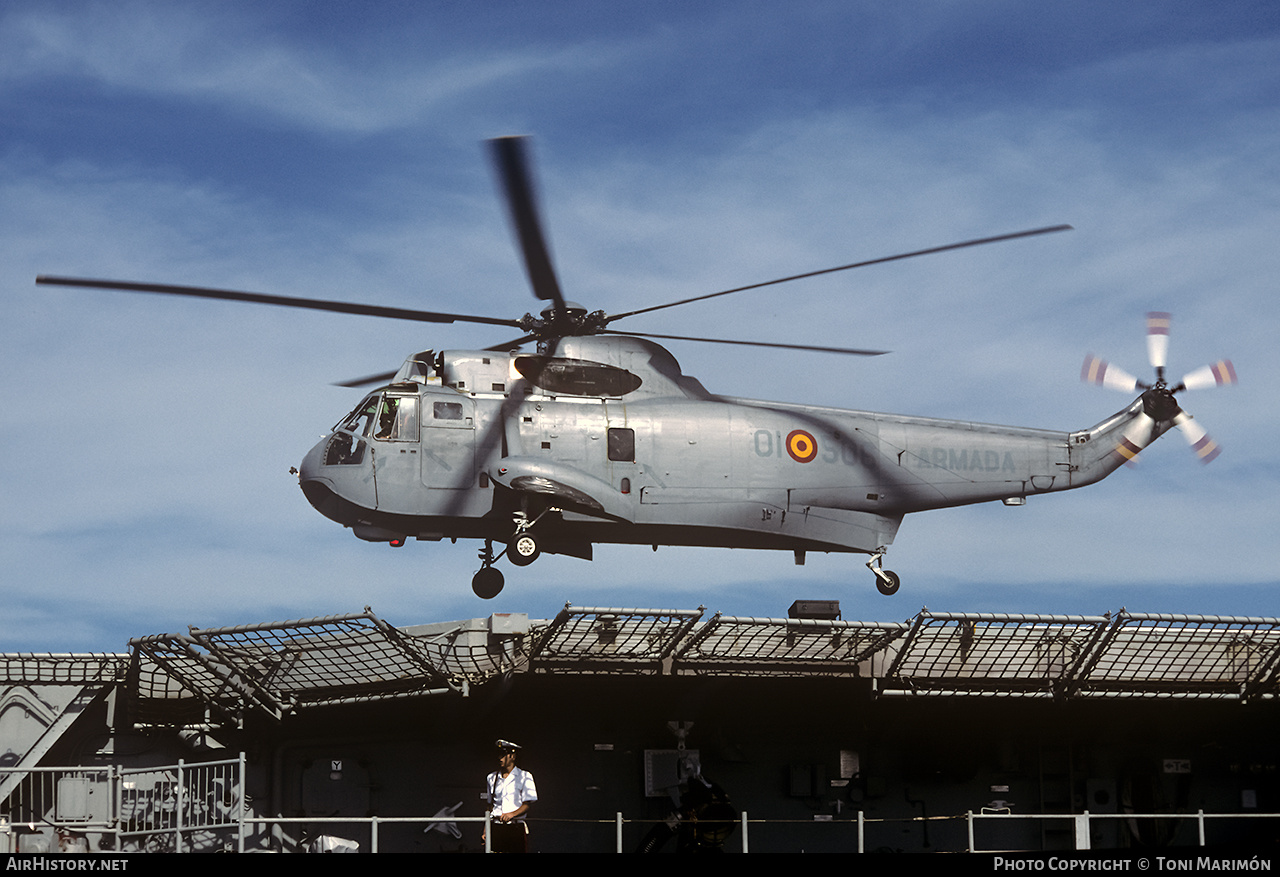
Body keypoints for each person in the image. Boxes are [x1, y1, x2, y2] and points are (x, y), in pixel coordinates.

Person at [484, 739, 537, 853]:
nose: (500, 758)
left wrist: (512, 814)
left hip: (515, 827)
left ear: (512, 756)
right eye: (498, 755)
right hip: (496, 826)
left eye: (503, 755)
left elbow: (527, 805)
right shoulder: (491, 778)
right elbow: (490, 806)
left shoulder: (524, 776)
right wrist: (485, 830)